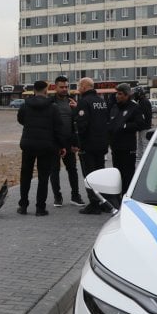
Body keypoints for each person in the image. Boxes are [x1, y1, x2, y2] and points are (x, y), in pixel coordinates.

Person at [16, 79, 66, 216]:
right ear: (46, 90)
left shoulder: (25, 105)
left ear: (33, 91)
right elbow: (58, 128)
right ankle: (40, 208)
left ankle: (24, 206)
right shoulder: (53, 107)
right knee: (43, 177)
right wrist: (62, 145)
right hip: (46, 145)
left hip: (28, 144)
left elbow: (20, 119)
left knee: (25, 175)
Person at [75, 77, 110, 215]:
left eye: (79, 85)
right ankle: (103, 201)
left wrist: (79, 143)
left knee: (89, 175)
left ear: (84, 86)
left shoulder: (84, 102)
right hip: (101, 144)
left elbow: (82, 125)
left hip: (88, 145)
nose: (78, 88)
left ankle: (94, 203)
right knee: (100, 173)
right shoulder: (102, 101)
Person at [48, 75, 84, 207]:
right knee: (54, 170)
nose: (64, 89)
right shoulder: (50, 102)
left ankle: (75, 196)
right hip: (54, 142)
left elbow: (77, 123)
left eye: (66, 87)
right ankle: (58, 197)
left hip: (69, 142)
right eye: (61, 87)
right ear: (55, 87)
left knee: (72, 169)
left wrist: (76, 143)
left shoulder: (72, 101)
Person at [107, 83, 145, 194]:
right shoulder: (114, 107)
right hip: (115, 147)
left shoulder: (134, 107)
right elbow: (111, 124)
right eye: (116, 94)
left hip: (128, 148)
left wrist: (125, 126)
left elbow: (140, 124)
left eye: (120, 94)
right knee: (117, 174)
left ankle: (128, 195)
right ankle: (118, 196)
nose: (117, 96)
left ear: (127, 95)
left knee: (128, 174)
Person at [133, 86, 153, 162]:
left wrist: (141, 123)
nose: (135, 96)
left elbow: (144, 115)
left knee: (144, 141)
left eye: (136, 94)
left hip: (144, 126)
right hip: (142, 125)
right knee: (140, 141)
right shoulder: (142, 101)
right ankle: (140, 155)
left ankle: (145, 156)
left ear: (140, 94)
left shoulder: (144, 102)